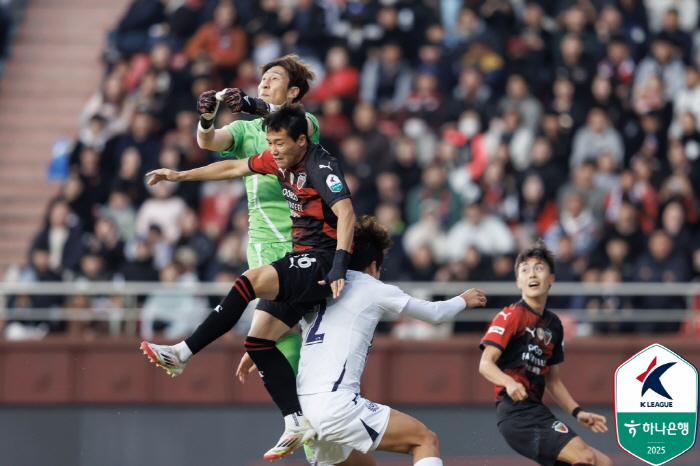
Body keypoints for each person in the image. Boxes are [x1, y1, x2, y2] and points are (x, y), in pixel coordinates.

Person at [142, 103, 355, 460]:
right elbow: (233, 166)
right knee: (257, 343)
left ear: (302, 140)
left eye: (279, 143)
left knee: (249, 281)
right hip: (301, 259)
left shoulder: (321, 166)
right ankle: (295, 420)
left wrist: (339, 267)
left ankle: (183, 352)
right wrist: (179, 177)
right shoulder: (279, 158)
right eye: (269, 142)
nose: (272, 150)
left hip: (319, 262)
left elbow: (346, 213)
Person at [238, 216, 487, 466]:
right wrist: (464, 299)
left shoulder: (318, 288)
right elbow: (434, 314)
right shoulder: (372, 287)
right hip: (337, 405)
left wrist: (258, 348)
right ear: (373, 266)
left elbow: (280, 321)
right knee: (424, 440)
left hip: (304, 412)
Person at [479, 240, 612, 466]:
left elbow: (553, 380)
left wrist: (577, 412)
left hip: (537, 411)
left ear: (551, 279)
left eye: (539, 268)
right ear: (518, 281)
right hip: (515, 414)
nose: (532, 274)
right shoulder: (511, 316)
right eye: (525, 270)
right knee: (585, 457)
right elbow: (485, 364)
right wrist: (508, 382)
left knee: (603, 462)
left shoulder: (555, 325)